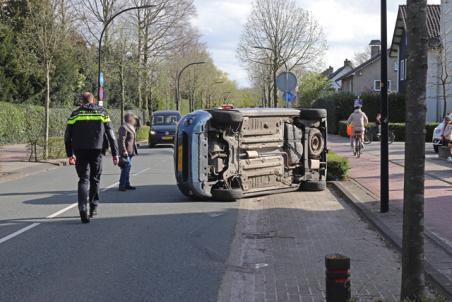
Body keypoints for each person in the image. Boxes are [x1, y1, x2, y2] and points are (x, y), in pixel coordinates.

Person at [64, 92, 119, 223]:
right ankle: (93, 207)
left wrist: (70, 154)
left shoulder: (75, 114)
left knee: (83, 179)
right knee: (95, 178)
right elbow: (111, 134)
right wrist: (115, 153)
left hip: (80, 150)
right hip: (97, 150)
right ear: (93, 100)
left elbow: (67, 135)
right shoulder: (102, 113)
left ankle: (82, 208)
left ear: (82, 101)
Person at [118, 112, 138, 191]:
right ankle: (122, 185)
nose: (135, 120)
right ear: (130, 119)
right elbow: (122, 140)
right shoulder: (124, 127)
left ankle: (127, 184)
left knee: (128, 168)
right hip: (126, 152)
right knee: (126, 168)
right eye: (133, 118)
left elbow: (138, 124)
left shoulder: (131, 127)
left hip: (131, 151)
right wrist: (124, 150)